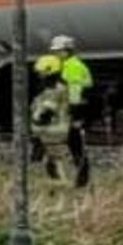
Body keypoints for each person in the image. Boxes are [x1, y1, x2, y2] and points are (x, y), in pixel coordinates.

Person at [40, 34, 93, 187]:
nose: (55, 54)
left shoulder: (72, 67)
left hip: (69, 113)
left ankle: (74, 180)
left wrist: (75, 115)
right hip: (68, 112)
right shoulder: (71, 65)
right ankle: (71, 179)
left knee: (70, 146)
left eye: (58, 51)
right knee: (70, 146)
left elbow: (74, 94)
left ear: (66, 51)